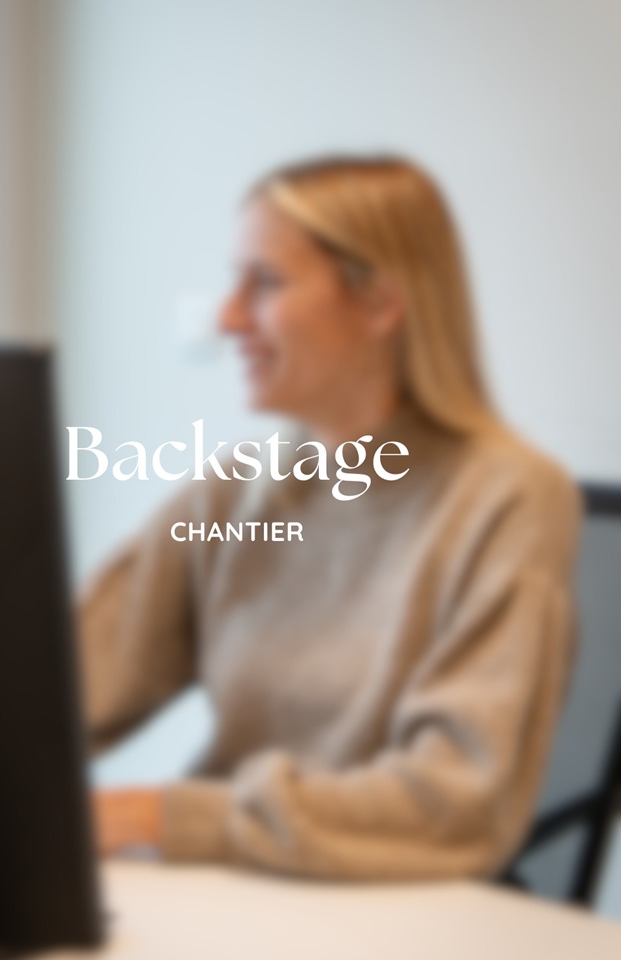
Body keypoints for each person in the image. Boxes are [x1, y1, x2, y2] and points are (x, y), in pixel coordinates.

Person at [81, 156, 580, 880]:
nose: (227, 318)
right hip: (237, 893)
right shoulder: (235, 494)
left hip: (398, 913)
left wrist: (161, 815)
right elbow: (61, 681)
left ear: (380, 303)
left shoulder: (507, 498)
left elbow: (455, 802)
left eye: (265, 283)